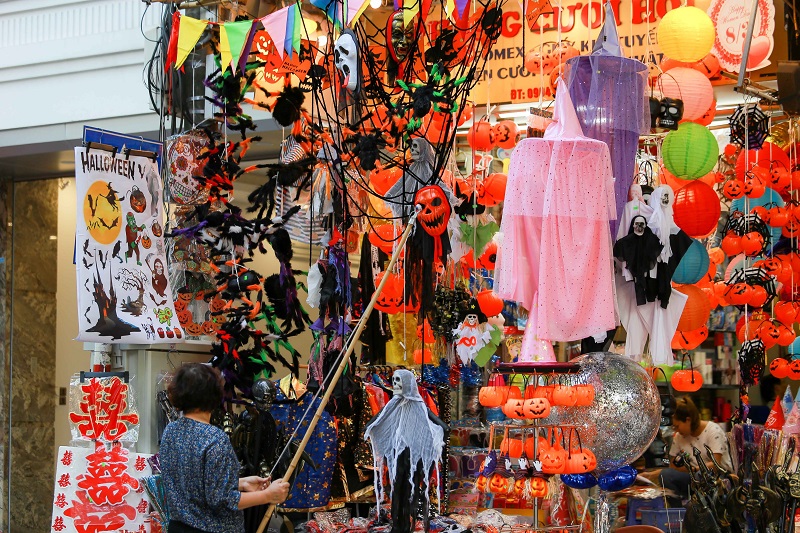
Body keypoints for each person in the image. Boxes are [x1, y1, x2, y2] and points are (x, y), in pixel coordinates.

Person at [160, 363, 290, 533]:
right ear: (214, 396)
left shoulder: (171, 430)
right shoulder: (215, 439)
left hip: (178, 528)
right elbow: (223, 500)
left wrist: (240, 483)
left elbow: (195, 484)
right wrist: (268, 495)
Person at [641, 396, 732, 500]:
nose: (676, 430)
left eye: (677, 426)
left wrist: (692, 469)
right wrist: (651, 475)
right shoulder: (680, 437)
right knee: (665, 475)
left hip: (717, 478)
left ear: (688, 420)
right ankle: (678, 510)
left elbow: (716, 465)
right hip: (694, 478)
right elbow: (672, 467)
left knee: (700, 475)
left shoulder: (713, 431)